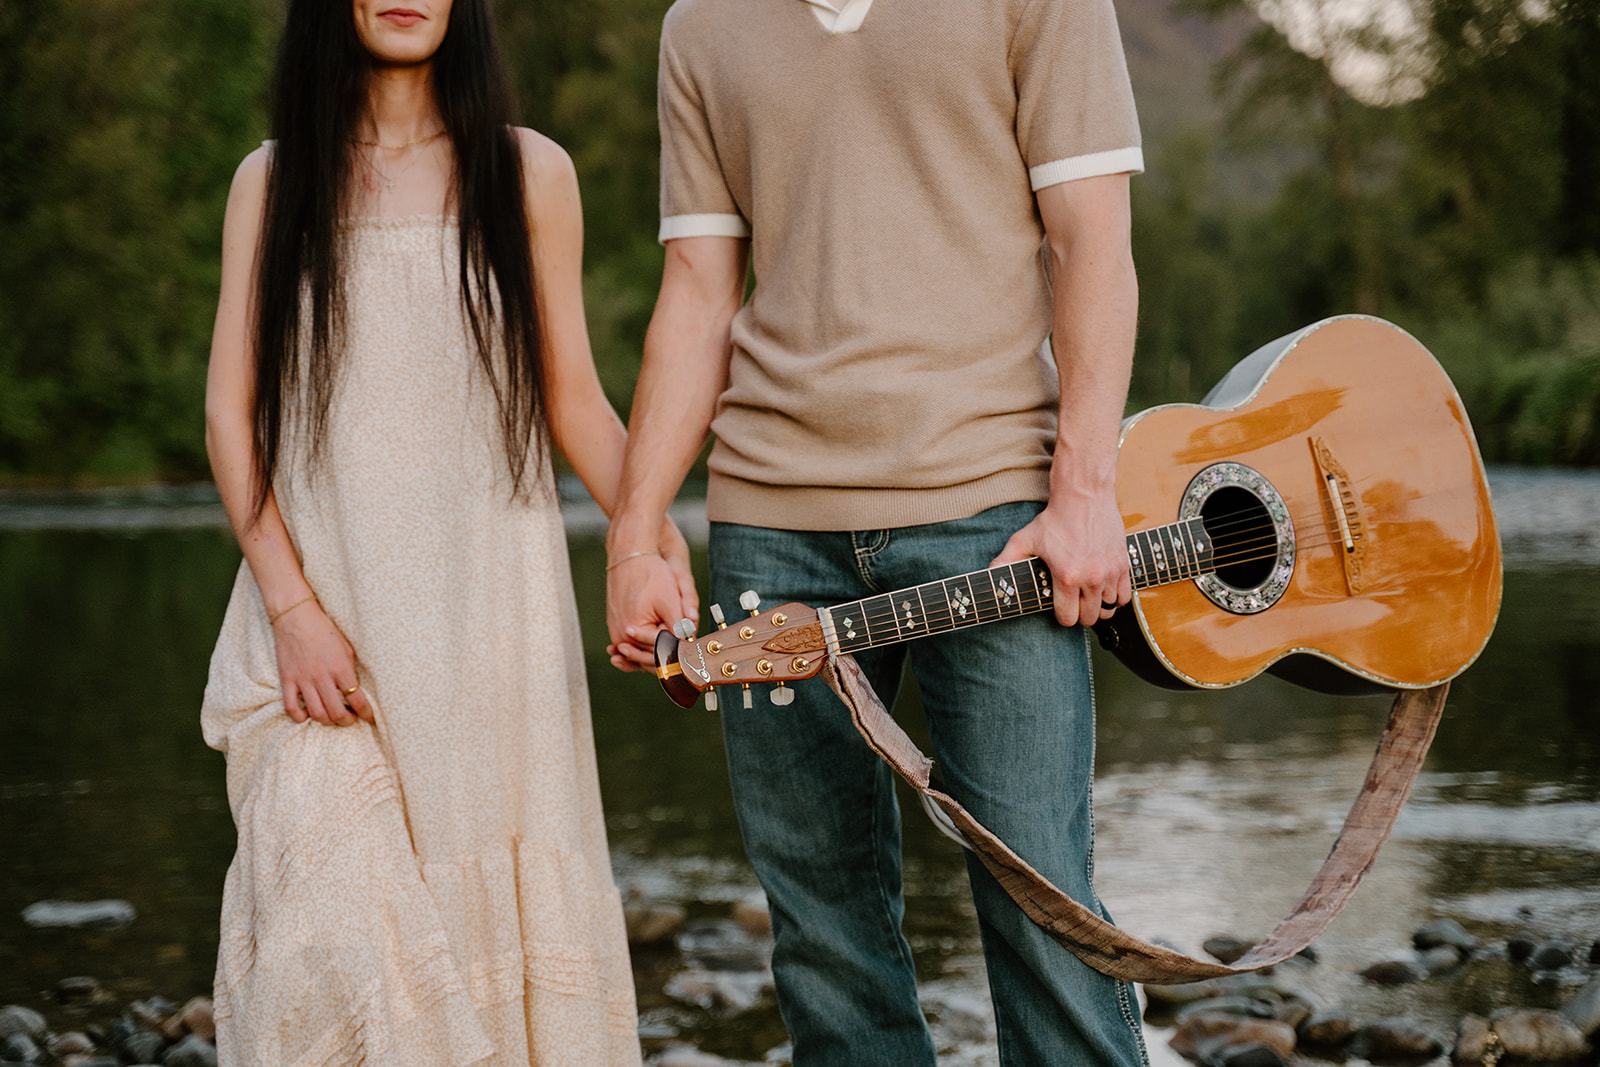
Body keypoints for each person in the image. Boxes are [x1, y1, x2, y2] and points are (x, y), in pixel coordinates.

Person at [604, 0, 1149, 1063]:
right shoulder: (700, 26)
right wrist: (635, 530)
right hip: (769, 525)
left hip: (996, 512)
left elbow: (1091, 235)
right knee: (823, 933)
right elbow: (697, 291)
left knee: (1042, 898)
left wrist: (1083, 488)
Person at [200, 2, 691, 1063]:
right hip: (325, 634)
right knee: (323, 919)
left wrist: (645, 534)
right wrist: (290, 608)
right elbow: (228, 420)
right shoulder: (273, 180)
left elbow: (571, 398)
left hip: (490, 625)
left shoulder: (528, 174)